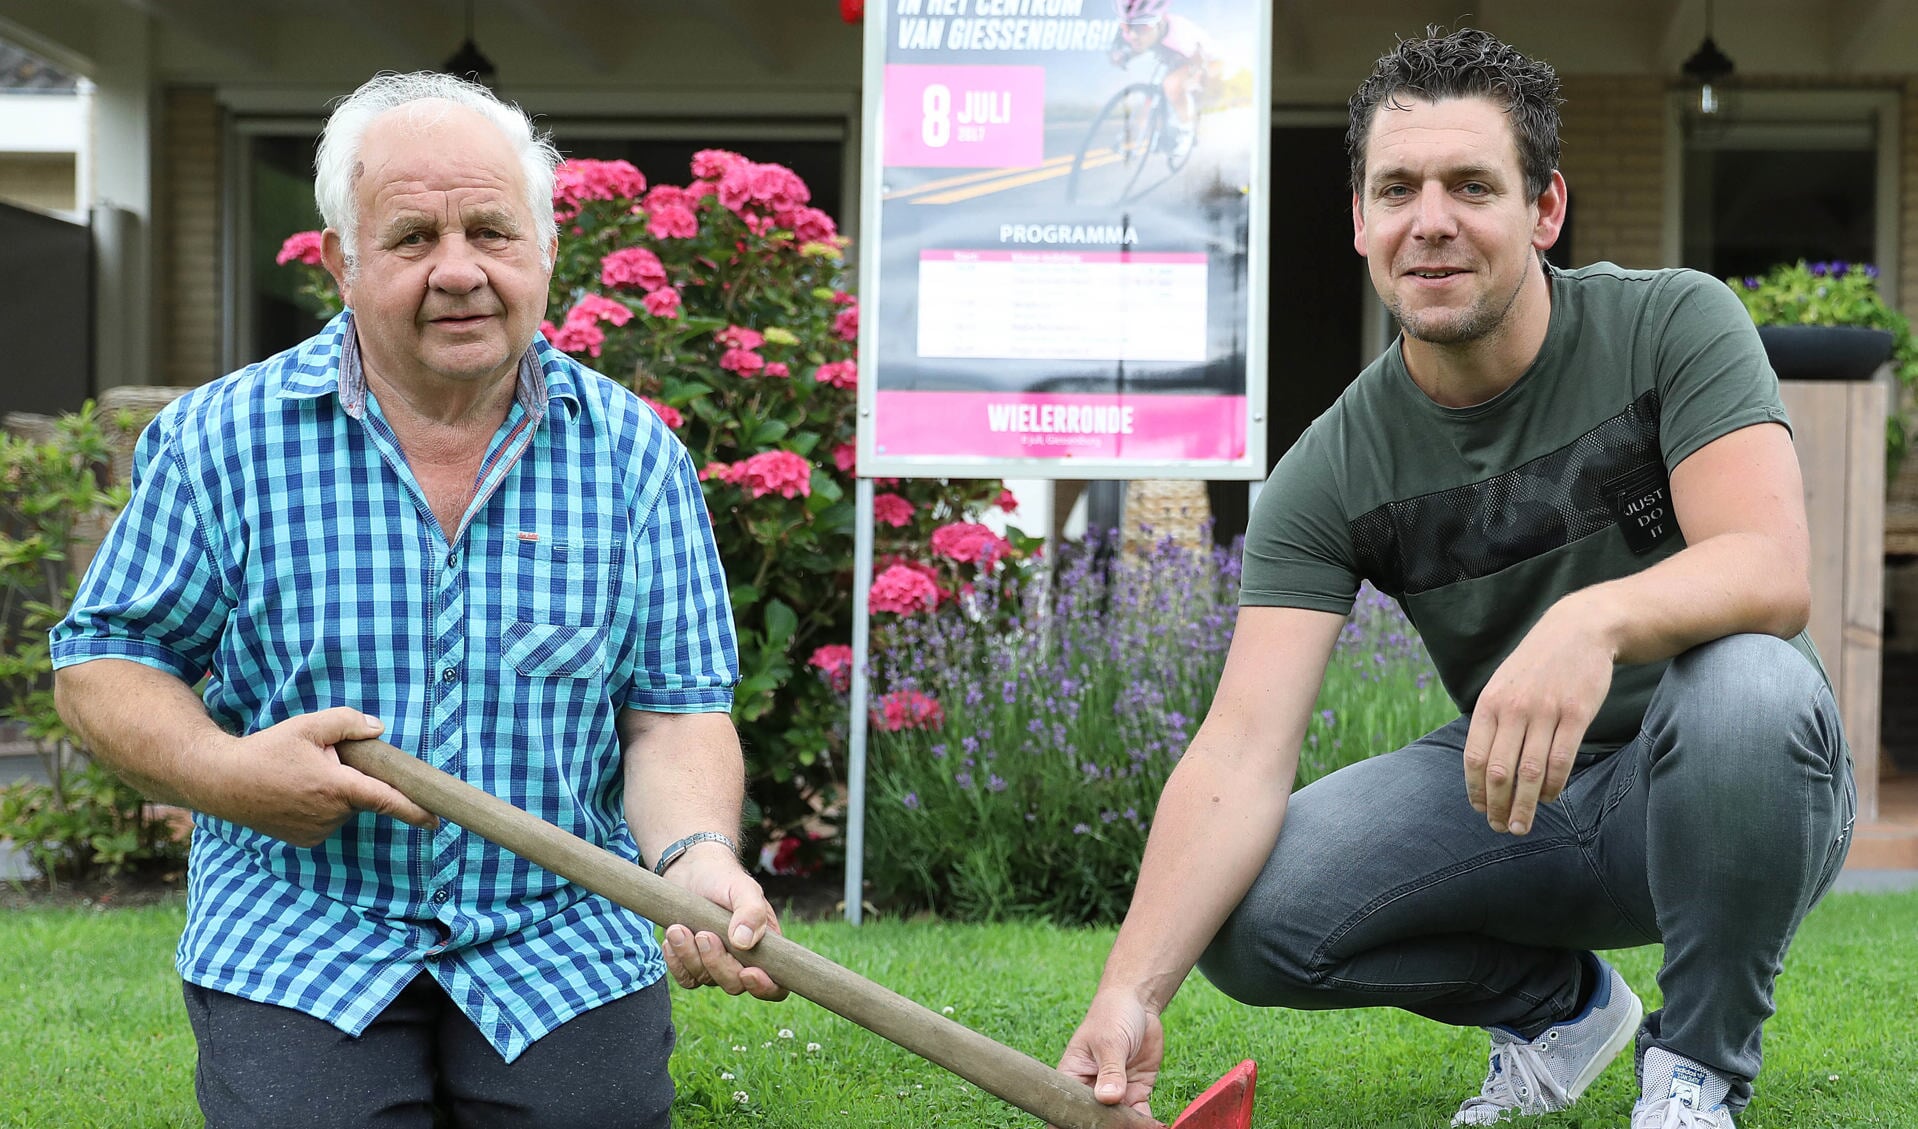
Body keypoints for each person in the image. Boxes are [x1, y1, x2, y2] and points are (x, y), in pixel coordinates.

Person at [1056, 27, 1854, 1129]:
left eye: (1472, 184)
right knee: (1249, 917)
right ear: (1359, 221)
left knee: (1748, 687)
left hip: (1736, 786)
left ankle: (1694, 1075)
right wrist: (1130, 988)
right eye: (1397, 188)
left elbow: (1769, 569)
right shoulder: (1333, 467)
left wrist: (1593, 621)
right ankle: (1562, 1010)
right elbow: (1240, 744)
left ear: (1545, 209)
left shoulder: (1673, 324)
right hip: (1522, 798)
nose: (1429, 219)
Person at [51, 72, 781, 1129]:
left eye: (491, 229)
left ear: (544, 246)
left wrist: (694, 856)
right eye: (411, 238)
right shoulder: (224, 440)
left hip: (558, 927)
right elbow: (104, 660)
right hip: (301, 927)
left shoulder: (633, 457)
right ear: (342, 263)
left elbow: (672, 712)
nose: (459, 271)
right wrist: (227, 771)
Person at [1106, 0, 1213, 161]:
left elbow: (1200, 63)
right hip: (1170, 55)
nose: (1133, 35)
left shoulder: (1179, 37)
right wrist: (1124, 55)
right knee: (1156, 91)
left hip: (1193, 58)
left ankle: (1187, 131)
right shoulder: (1142, 31)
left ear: (1159, 22)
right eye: (1127, 27)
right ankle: (1150, 129)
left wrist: (1195, 80)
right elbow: (1139, 45)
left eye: (1142, 27)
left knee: (1172, 85)